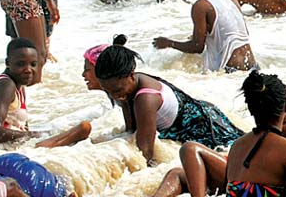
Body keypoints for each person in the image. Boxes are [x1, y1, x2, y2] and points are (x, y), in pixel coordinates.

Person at [116, 98, 286, 197]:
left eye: (285, 122)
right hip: (243, 182)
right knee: (177, 173)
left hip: (242, 182)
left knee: (190, 149)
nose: (278, 124)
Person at [95, 37, 245, 161]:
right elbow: (131, 131)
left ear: (131, 75)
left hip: (206, 127)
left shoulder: (146, 98)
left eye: (116, 90)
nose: (113, 96)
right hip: (200, 114)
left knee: (240, 155)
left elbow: (145, 151)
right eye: (107, 91)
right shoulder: (127, 86)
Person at [0, 38, 93, 148]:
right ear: (8, 63)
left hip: (3, 145)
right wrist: (34, 135)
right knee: (76, 132)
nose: (28, 70)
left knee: (67, 136)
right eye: (21, 64)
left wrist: (32, 135)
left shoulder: (19, 85)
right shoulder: (6, 85)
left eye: (33, 64)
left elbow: (22, 127)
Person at [153, 0, 256, 72]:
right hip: (252, 65)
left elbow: (197, 47)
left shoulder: (201, 5)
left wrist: (169, 43)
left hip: (232, 69)